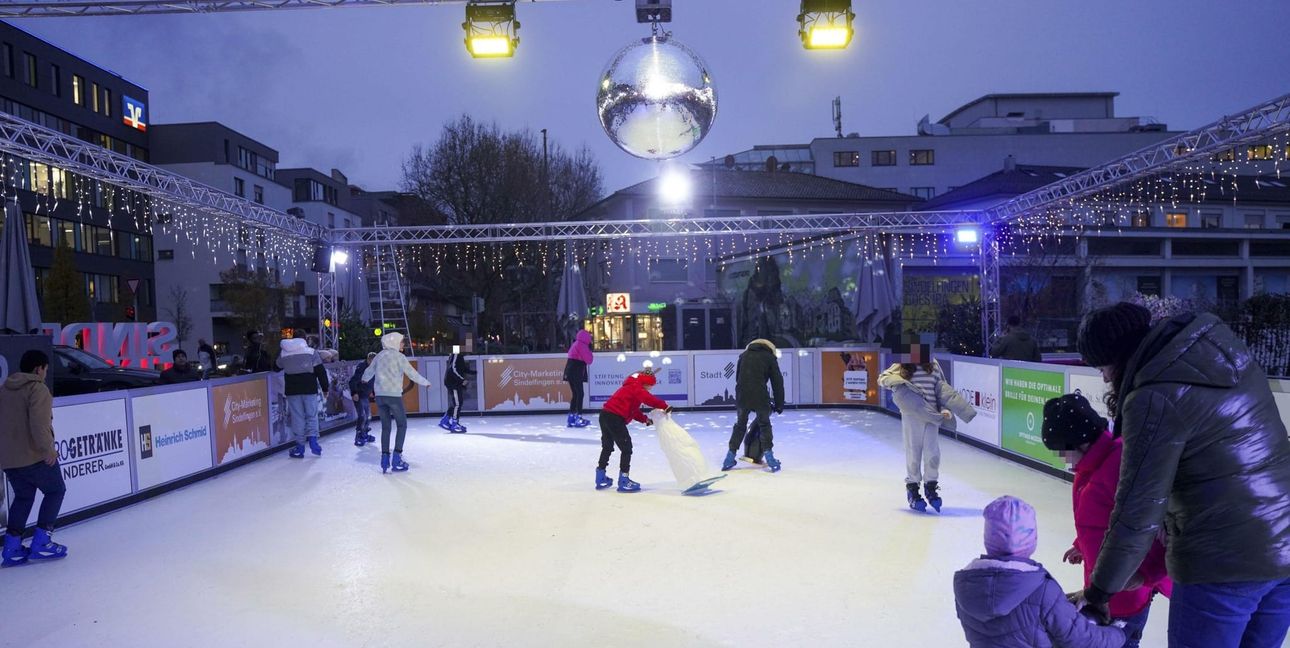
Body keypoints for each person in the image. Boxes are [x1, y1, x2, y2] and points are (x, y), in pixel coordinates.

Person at [1073, 302, 1290, 645]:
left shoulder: (1154, 397)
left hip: (1221, 563)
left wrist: (1099, 592)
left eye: (1102, 366)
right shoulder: (1228, 358)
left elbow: (1137, 511)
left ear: (1119, 358)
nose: (1103, 377)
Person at [1042, 392, 1171, 648]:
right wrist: (1082, 544)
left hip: (1127, 592)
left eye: (1062, 451)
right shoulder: (1088, 467)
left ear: (1080, 443)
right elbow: (1096, 521)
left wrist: (1146, 574)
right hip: (1101, 585)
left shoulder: (1122, 467)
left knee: (1121, 642)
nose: (1062, 459)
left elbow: (1153, 528)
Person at [953, 495, 1126, 648]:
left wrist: (1062, 603)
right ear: (1031, 540)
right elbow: (1080, 639)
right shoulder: (1043, 591)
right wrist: (1117, 634)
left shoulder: (965, 585)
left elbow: (1016, 609)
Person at [878, 336, 975, 512]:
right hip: (912, 416)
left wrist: (946, 410)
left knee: (932, 454)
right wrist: (895, 383)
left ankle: (931, 486)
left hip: (932, 416)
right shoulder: (902, 366)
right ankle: (913, 490)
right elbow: (883, 378)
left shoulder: (934, 365)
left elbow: (943, 390)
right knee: (913, 453)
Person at [0, 350, 69, 566]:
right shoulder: (37, 388)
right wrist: (48, 449)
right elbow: (39, 424)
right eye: (46, 369)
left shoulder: (4, 389)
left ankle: (11, 547)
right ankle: (42, 542)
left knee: (23, 497)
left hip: (9, 459)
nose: (46, 374)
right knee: (56, 490)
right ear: (39, 368)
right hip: (34, 456)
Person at [362, 332, 432, 473]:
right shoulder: (400, 357)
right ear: (394, 342)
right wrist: (425, 382)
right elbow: (412, 373)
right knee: (402, 424)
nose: (403, 345)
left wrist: (364, 378)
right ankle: (396, 458)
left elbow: (368, 372)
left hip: (380, 396)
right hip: (393, 396)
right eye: (401, 342)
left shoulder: (379, 356)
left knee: (386, 427)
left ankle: (384, 459)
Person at [597, 369, 672, 492]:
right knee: (627, 448)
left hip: (605, 415)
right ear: (646, 383)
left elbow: (633, 410)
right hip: (614, 418)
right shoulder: (637, 388)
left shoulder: (631, 387)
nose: (650, 389)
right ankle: (624, 480)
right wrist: (665, 406)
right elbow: (649, 400)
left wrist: (645, 420)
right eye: (650, 386)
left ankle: (600, 477)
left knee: (607, 447)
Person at [722, 339, 786, 472]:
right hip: (760, 396)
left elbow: (738, 378)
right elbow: (777, 382)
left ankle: (729, 457)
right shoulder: (769, 358)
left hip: (742, 396)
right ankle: (770, 459)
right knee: (764, 425)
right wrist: (779, 404)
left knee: (740, 425)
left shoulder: (743, 356)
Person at [276, 337, 329, 458]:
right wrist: (325, 388)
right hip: (309, 388)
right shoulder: (310, 352)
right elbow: (320, 371)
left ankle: (300, 447)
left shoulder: (284, 353)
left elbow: (276, 366)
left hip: (292, 390)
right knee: (311, 415)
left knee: (297, 417)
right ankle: (313, 442)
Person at [440, 345, 476, 434]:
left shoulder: (459, 355)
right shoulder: (456, 353)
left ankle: (445, 420)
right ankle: (454, 423)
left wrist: (474, 372)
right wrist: (461, 380)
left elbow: (461, 368)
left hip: (454, 381)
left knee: (457, 402)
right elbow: (453, 369)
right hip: (453, 382)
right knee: (458, 403)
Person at [563, 329, 594, 429]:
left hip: (570, 370)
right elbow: (589, 360)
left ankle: (571, 418)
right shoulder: (582, 345)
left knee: (576, 394)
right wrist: (590, 350)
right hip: (576, 371)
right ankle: (578, 418)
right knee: (580, 394)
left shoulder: (576, 343)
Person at [349, 352, 377, 447]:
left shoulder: (374, 368)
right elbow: (353, 381)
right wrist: (354, 393)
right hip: (359, 395)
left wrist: (373, 392)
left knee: (368, 416)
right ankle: (359, 436)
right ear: (368, 360)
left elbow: (373, 381)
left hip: (365, 395)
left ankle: (364, 434)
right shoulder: (361, 367)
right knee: (362, 416)